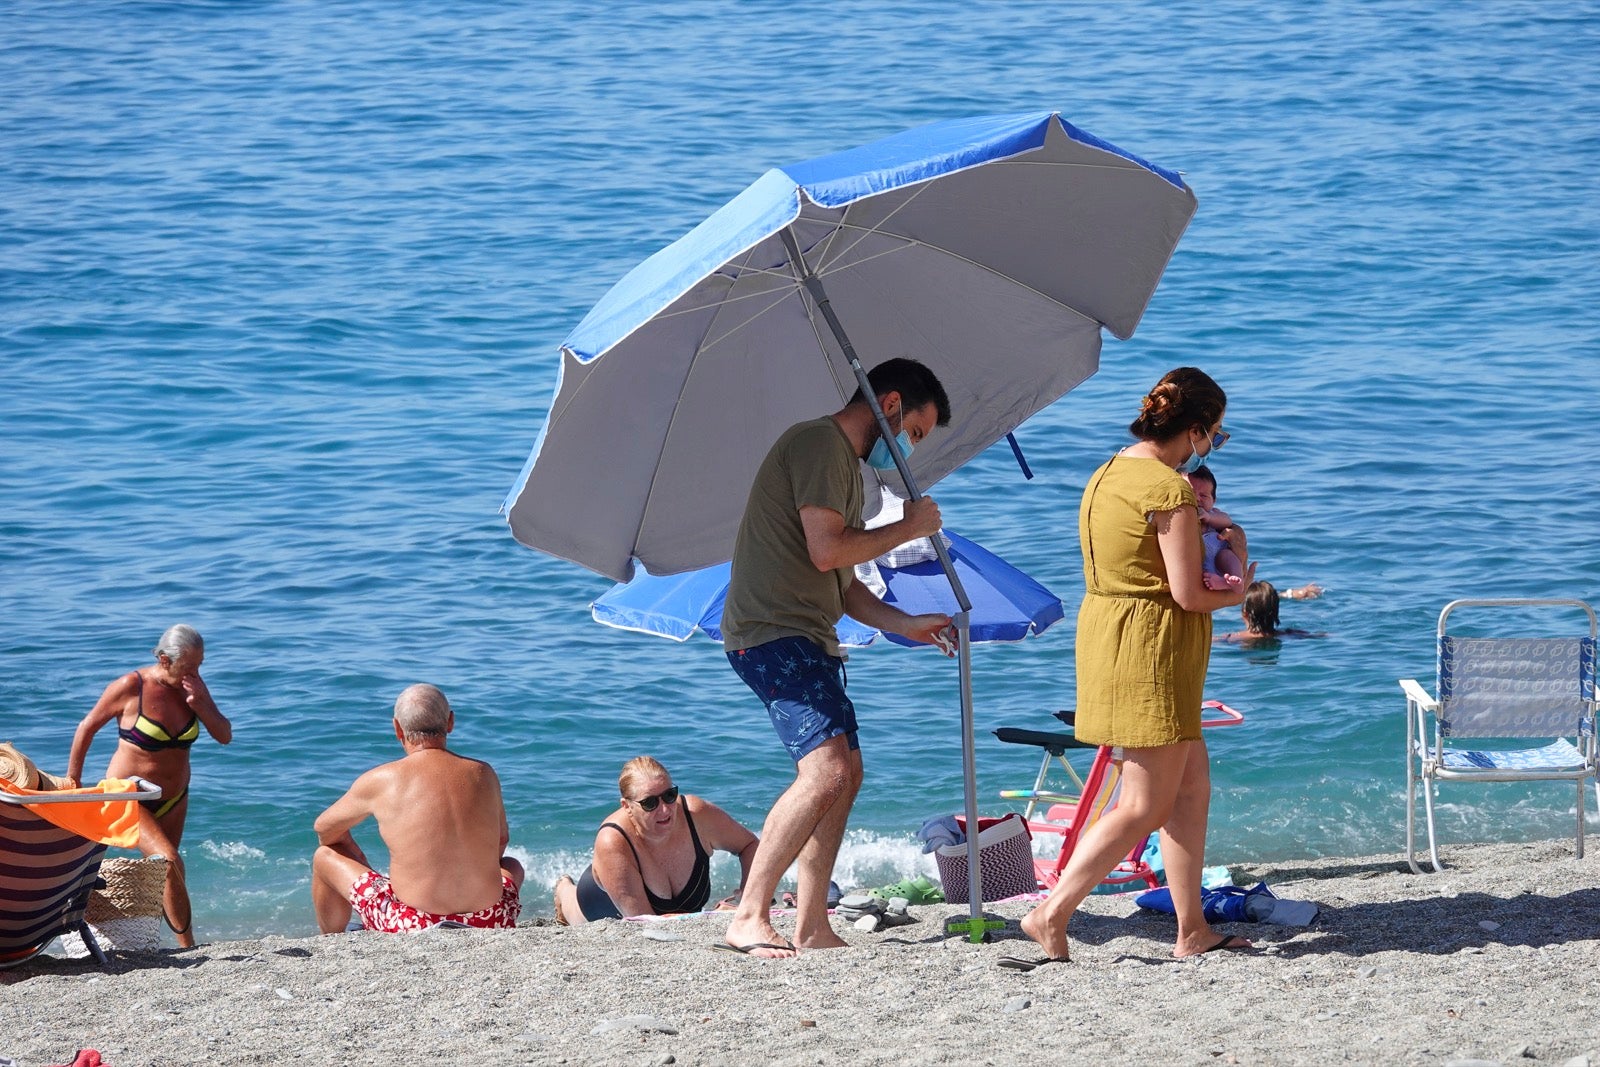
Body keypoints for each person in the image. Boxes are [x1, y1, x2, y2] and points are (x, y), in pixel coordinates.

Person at [1009, 367, 1256, 970]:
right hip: (1153, 648)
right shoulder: (1169, 489)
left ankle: (1191, 926)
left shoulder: (1109, 472)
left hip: (1109, 636)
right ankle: (1051, 912)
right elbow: (1190, 595)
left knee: (1190, 787)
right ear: (1195, 429)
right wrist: (1243, 593)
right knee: (1142, 804)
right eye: (1216, 437)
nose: (1213, 447)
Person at [720, 357, 956, 958]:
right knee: (824, 771)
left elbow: (844, 585)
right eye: (915, 433)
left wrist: (907, 625)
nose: (909, 450)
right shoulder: (820, 443)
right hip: (773, 630)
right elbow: (828, 552)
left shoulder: (846, 468)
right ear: (892, 404)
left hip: (808, 632)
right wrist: (909, 528)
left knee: (847, 774)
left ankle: (811, 922)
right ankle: (750, 913)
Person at [310, 684, 524, 933]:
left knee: (324, 857)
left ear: (397, 728)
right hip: (491, 918)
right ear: (450, 722)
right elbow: (501, 839)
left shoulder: (382, 779)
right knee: (511, 865)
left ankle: (332, 939)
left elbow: (324, 829)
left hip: (413, 924)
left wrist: (354, 854)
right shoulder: (484, 773)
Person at [67, 624, 231, 948]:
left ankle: (178, 946)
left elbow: (224, 735)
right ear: (164, 660)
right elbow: (86, 727)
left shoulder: (192, 689)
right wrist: (74, 781)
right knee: (169, 859)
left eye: (199, 666)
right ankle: (187, 945)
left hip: (174, 797)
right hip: (128, 794)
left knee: (167, 869)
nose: (194, 673)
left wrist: (202, 704)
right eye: (187, 667)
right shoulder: (132, 686)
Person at [551, 756, 759, 924]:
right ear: (627, 807)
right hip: (598, 903)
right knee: (573, 909)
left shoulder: (696, 815)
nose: (665, 809)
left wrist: (748, 896)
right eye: (650, 803)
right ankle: (563, 889)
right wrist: (714, 916)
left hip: (673, 916)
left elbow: (750, 845)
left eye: (669, 795)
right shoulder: (611, 840)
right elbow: (645, 922)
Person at [1183, 466, 1244, 591]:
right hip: (1202, 569)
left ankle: (1234, 582)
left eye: (1204, 496)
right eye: (1191, 493)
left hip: (1219, 560)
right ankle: (1221, 583)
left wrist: (1209, 517)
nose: (1197, 499)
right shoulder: (1183, 519)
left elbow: (1227, 520)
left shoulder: (1213, 514)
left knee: (1227, 555)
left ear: (1214, 500)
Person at [1217, 581, 1328, 643]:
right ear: (1276, 612)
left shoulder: (1231, 638)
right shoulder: (1291, 633)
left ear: (1244, 614)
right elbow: (1324, 635)